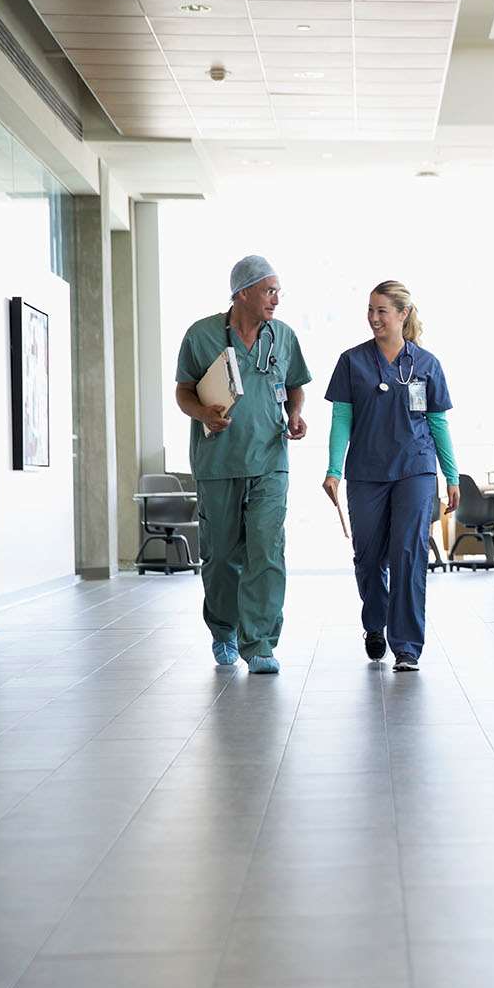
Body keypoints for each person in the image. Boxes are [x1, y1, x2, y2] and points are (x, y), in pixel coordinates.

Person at [174, 256, 311, 674]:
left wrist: (294, 416)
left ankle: (261, 644)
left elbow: (294, 387)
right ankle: (224, 631)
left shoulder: (283, 337)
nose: (276, 299)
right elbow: (183, 392)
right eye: (269, 290)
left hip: (270, 459)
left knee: (267, 551)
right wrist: (203, 414)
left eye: (277, 291)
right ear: (242, 292)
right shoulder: (201, 335)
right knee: (220, 556)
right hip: (218, 463)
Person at [323, 280, 458, 671]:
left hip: (415, 469)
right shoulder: (352, 361)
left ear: (403, 314)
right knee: (368, 558)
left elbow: (438, 423)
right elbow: (341, 419)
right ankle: (375, 624)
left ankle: (407, 646)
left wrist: (450, 476)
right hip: (366, 471)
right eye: (370, 310)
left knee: (408, 553)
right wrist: (333, 470)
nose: (374, 318)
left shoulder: (427, 364)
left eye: (382, 310)